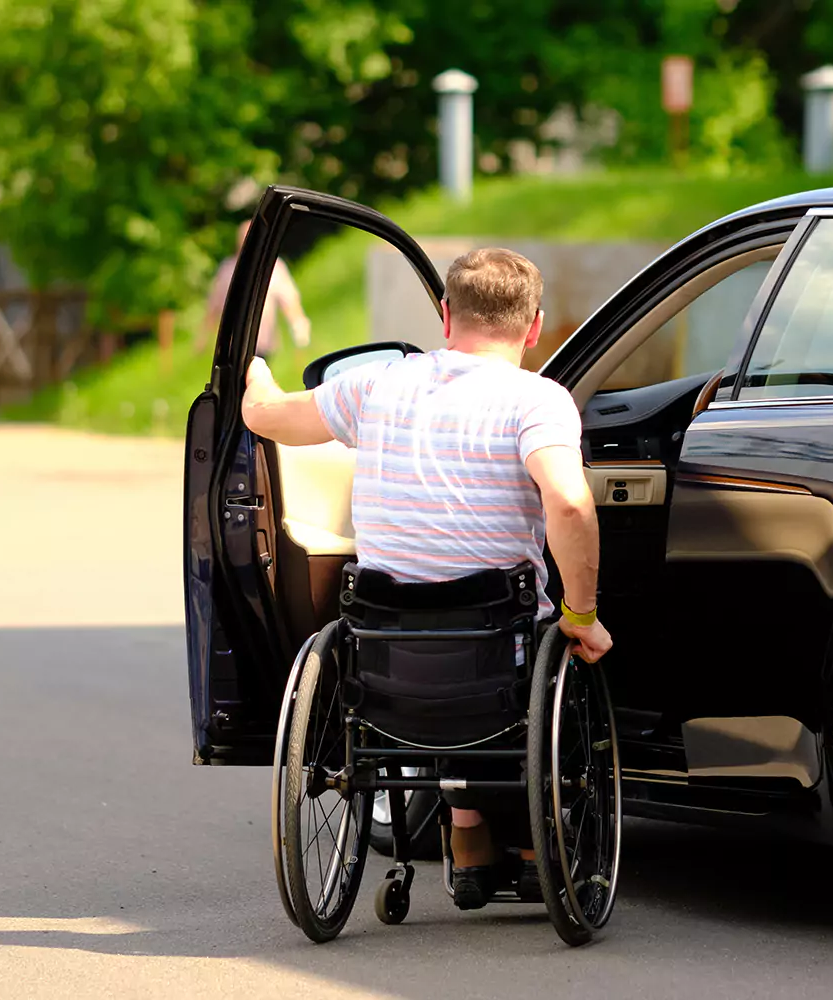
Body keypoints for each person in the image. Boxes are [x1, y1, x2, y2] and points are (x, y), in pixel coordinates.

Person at [241, 247, 612, 909]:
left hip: (387, 654)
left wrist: (255, 373)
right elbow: (569, 504)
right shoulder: (536, 402)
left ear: (445, 315)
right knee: (541, 648)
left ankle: (466, 832)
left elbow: (268, 419)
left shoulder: (377, 386)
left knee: (446, 643)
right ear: (534, 328)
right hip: (498, 656)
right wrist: (583, 615)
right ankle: (529, 844)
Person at [196, 221, 311, 357]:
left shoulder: (273, 267)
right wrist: (203, 336)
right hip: (234, 344)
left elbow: (288, 299)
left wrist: (298, 323)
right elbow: (214, 305)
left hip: (263, 340)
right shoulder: (227, 271)